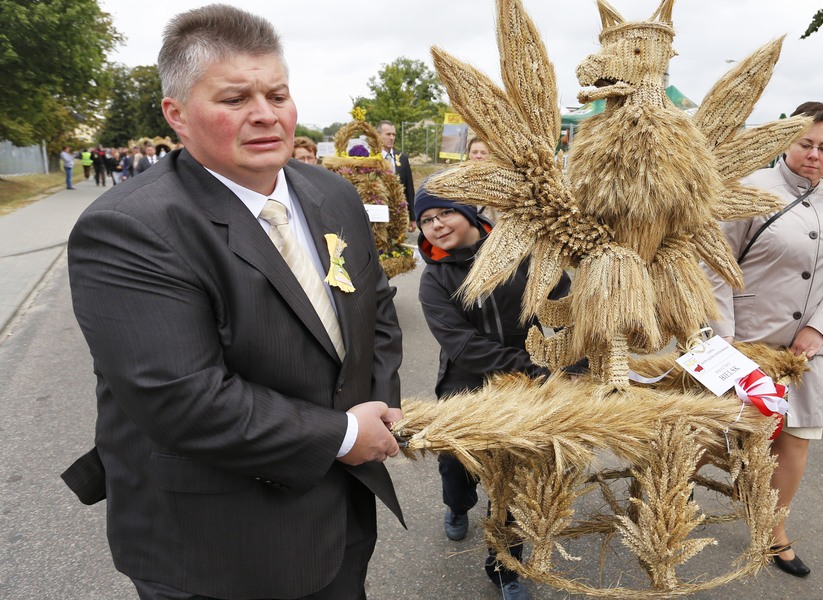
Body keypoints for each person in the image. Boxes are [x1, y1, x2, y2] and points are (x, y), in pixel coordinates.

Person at [62, 5, 404, 599]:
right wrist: (344, 437)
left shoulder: (332, 193)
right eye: (235, 99)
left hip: (339, 518)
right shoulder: (130, 228)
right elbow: (182, 398)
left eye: (277, 94)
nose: (265, 115)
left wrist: (380, 408)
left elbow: (375, 311)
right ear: (177, 116)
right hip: (221, 545)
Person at [705, 101, 823, 578]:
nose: (814, 155)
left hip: (804, 352)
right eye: (806, 143)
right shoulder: (749, 190)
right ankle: (673, 499)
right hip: (744, 341)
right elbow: (714, 265)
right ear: (786, 141)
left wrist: (818, 330)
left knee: (795, 439)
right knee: (714, 432)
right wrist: (725, 339)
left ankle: (772, 529)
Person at [416, 186, 579, 600]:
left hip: (528, 386)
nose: (436, 226)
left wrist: (574, 363)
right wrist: (533, 367)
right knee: (457, 464)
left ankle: (505, 567)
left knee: (513, 475)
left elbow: (566, 308)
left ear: (468, 213)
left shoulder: (520, 256)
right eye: (425, 221)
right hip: (466, 384)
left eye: (443, 214)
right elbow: (463, 345)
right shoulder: (435, 278)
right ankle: (456, 504)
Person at [376, 120, 415, 231]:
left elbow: (409, 189)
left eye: (393, 134)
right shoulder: (371, 158)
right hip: (377, 212)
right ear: (378, 135)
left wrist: (413, 217)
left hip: (398, 213)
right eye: (388, 134)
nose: (392, 138)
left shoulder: (402, 158)